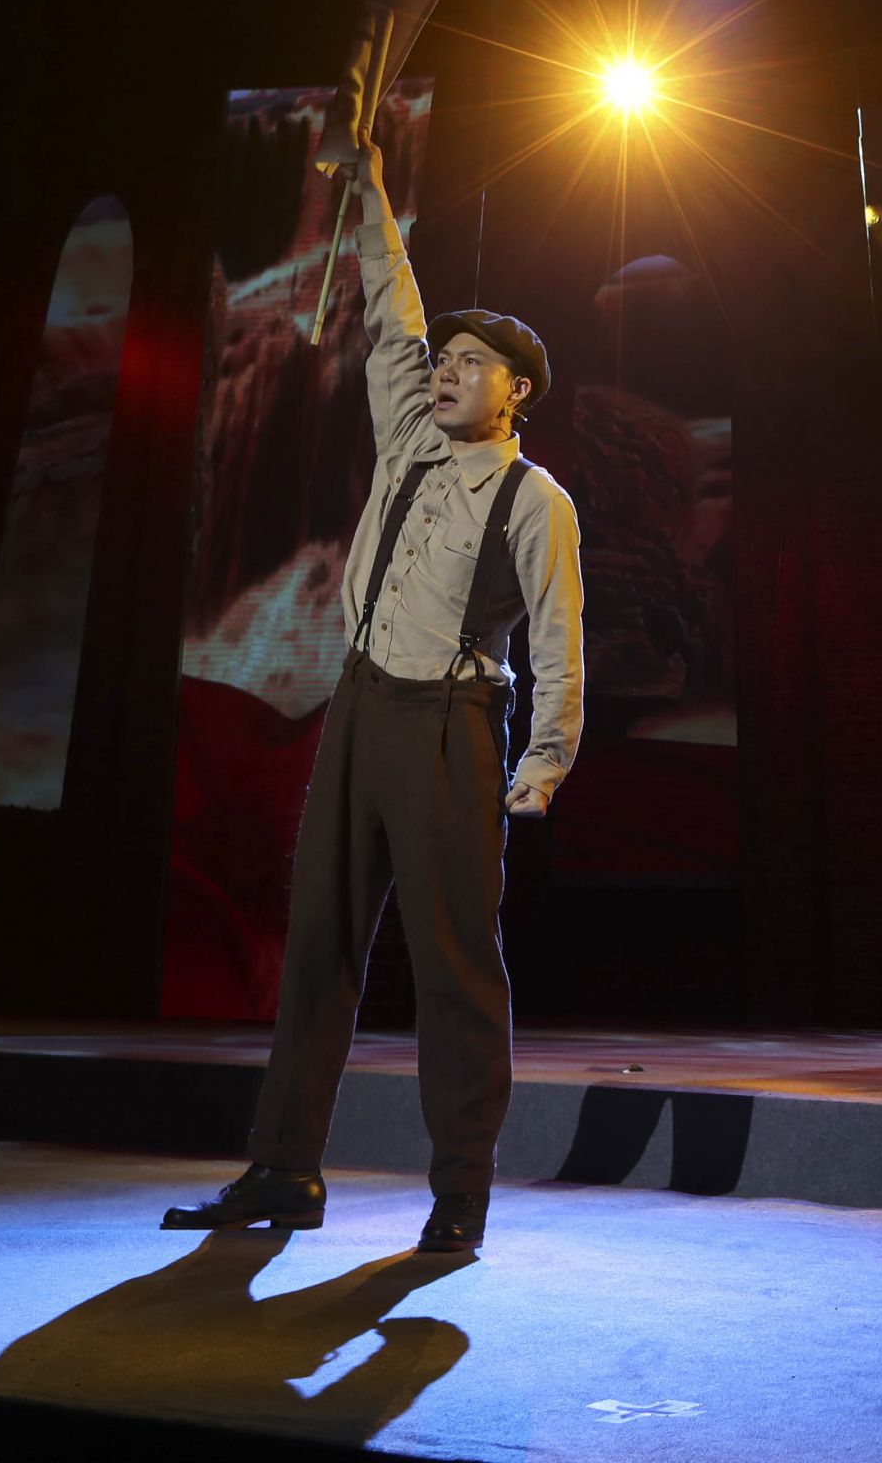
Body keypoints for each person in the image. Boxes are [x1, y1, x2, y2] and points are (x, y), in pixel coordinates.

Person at [164, 107, 587, 1257]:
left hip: (452, 721)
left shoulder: (538, 502)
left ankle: (460, 1193)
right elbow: (392, 310)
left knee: (454, 964)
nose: (446, 370)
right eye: (446, 359)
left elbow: (560, 635)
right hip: (358, 705)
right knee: (317, 941)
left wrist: (545, 759)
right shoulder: (406, 435)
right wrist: (371, 185)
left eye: (472, 363)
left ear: (517, 391)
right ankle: (284, 1166)